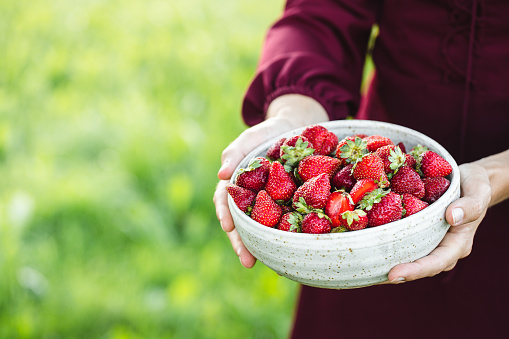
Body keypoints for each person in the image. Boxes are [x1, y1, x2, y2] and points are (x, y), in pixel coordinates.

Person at [214, 0, 509, 337]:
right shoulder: (344, 191)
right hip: (362, 218)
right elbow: (322, 12)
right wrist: (294, 116)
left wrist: (499, 173)